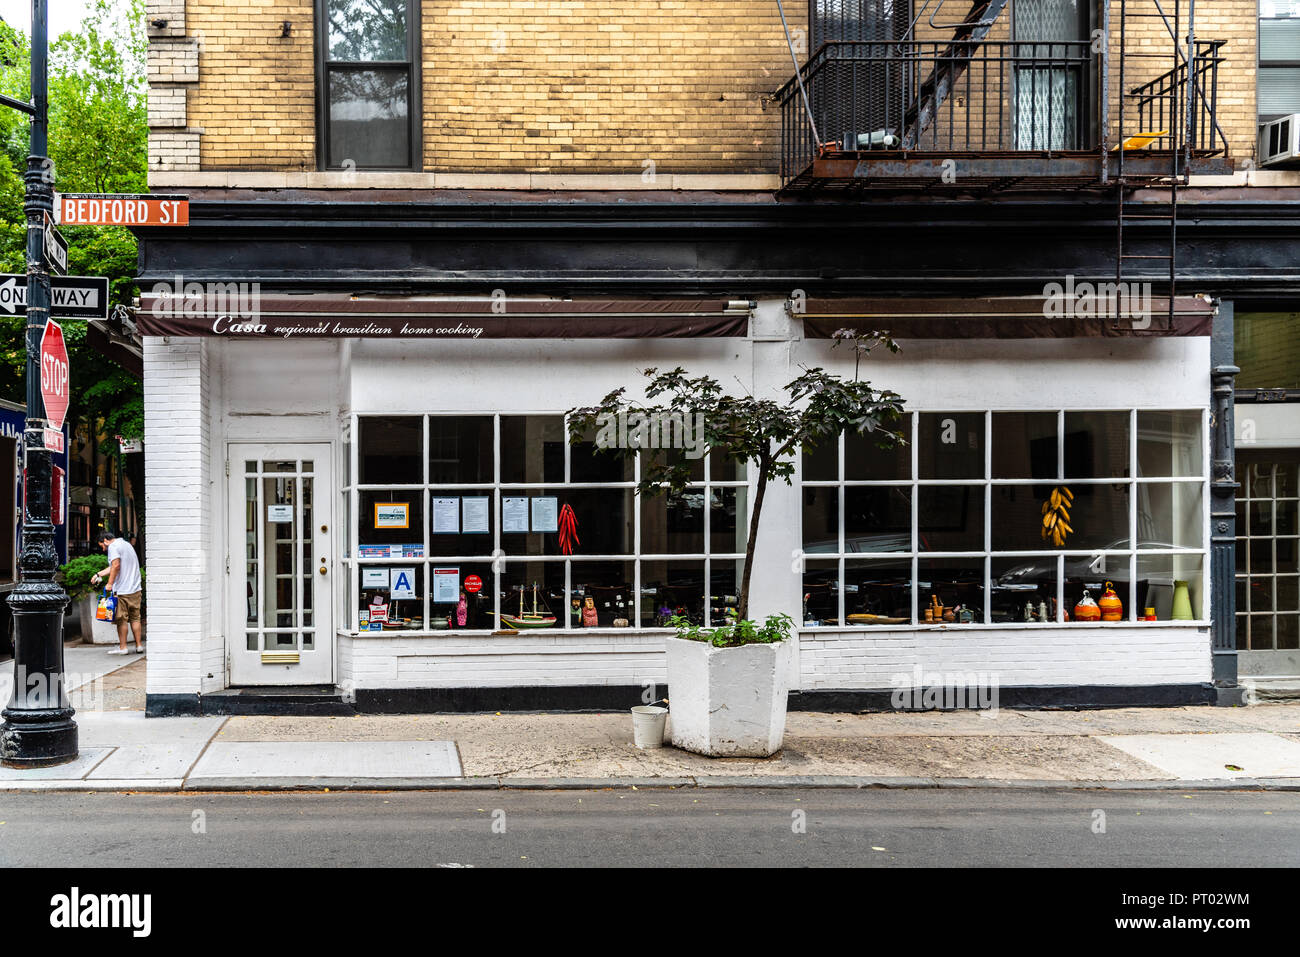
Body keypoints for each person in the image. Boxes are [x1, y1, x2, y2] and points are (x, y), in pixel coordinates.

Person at [91, 530, 145, 655]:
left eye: (102, 546)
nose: (104, 549)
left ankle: (123, 647)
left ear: (105, 541)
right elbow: (115, 566)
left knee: (121, 620)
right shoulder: (126, 544)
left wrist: (109, 584)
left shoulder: (113, 547)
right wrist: (98, 574)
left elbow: (116, 565)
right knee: (135, 617)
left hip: (122, 589)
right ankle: (139, 646)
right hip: (135, 588)